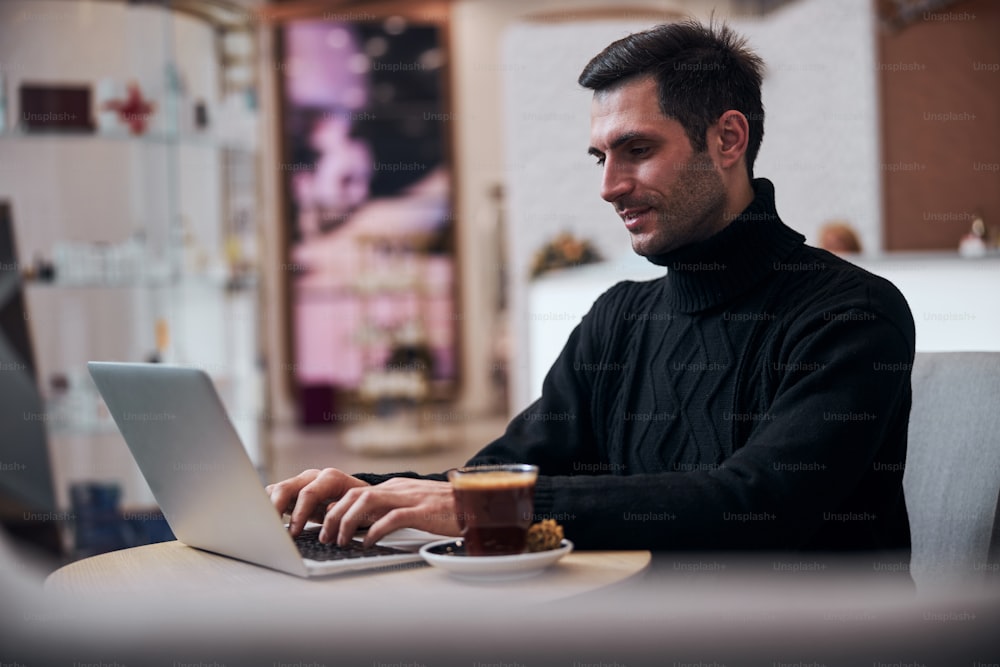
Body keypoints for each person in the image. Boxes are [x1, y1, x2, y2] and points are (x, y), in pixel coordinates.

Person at [267, 20, 915, 559]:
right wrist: (354, 492)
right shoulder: (618, 320)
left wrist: (482, 505)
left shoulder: (851, 313)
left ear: (727, 138)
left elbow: (756, 505)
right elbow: (510, 472)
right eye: (600, 157)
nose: (609, 186)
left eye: (635, 149)